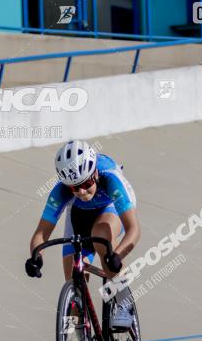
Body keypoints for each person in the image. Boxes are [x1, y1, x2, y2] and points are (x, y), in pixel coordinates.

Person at [25, 139, 141, 331]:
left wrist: (117, 256)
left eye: (86, 183)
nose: (81, 191)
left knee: (101, 233)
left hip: (110, 205)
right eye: (74, 187)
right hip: (79, 213)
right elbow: (41, 233)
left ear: (94, 173)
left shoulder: (110, 179)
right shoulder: (62, 190)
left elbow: (134, 230)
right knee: (73, 278)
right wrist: (35, 257)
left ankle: (123, 302)